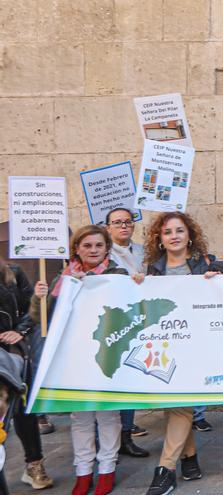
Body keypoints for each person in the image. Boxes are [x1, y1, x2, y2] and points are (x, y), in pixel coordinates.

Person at [142, 212, 223, 495]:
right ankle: (189, 460)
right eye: (168, 232)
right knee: (176, 405)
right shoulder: (153, 272)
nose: (174, 236)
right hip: (167, 349)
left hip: (197, 348)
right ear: (160, 239)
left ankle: (165, 470)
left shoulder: (204, 265)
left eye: (180, 230)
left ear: (190, 235)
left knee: (180, 404)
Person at [32, 226, 136, 495]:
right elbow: (41, 319)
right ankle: (83, 471)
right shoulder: (62, 278)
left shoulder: (118, 274)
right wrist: (40, 297)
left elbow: (127, 309)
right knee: (80, 417)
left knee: (108, 415)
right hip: (72, 357)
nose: (93, 250)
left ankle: (107, 469)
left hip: (106, 355)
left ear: (106, 249)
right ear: (76, 248)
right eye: (87, 245)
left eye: (98, 246)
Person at [0, 256, 53, 491]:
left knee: (23, 410)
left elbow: (32, 311)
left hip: (12, 354)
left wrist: (20, 331)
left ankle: (34, 464)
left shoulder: (12, 272)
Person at [105, 207, 151, 458]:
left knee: (131, 377)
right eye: (117, 222)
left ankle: (125, 434)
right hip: (115, 319)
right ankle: (109, 439)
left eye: (128, 222)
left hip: (140, 318)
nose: (123, 226)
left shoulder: (143, 251)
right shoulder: (104, 252)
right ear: (108, 227)